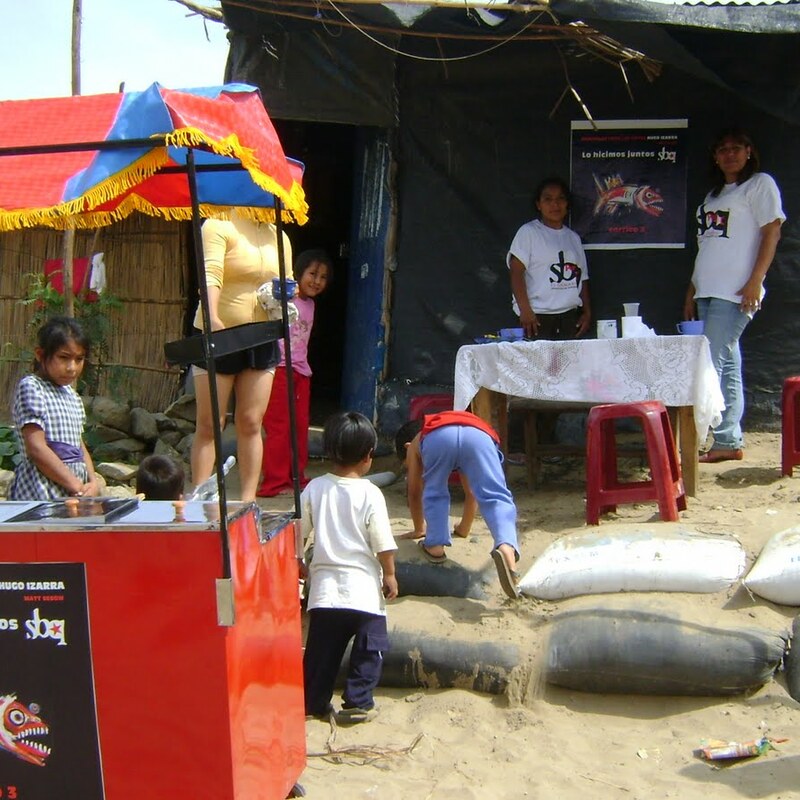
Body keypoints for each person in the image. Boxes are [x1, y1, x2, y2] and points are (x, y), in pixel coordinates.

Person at [683, 127, 785, 463]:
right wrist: (692, 291)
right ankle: (729, 438)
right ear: (715, 156)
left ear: (749, 151)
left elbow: (772, 231)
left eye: (736, 148)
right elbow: (706, 249)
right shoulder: (712, 197)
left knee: (711, 363)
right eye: (723, 149)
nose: (730, 154)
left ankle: (713, 437)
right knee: (727, 365)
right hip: (707, 291)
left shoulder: (759, 184)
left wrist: (756, 280)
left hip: (736, 291)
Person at [301, 411, 398, 724]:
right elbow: (382, 541)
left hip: (326, 592)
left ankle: (314, 701)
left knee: (320, 654)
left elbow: (296, 533)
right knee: (371, 648)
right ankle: (358, 700)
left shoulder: (314, 489)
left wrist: (299, 564)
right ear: (368, 457)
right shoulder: (371, 493)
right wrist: (391, 574)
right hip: (365, 594)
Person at [190, 210, 292, 502]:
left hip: (262, 337)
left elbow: (284, 282)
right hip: (219, 334)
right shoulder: (218, 222)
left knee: (250, 421)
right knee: (211, 423)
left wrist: (287, 297)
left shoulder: (279, 235)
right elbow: (210, 273)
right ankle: (200, 501)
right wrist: (211, 316)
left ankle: (248, 503)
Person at [394, 410, 521, 600]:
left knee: (435, 490)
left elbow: (414, 492)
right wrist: (463, 528)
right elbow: (471, 493)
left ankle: (435, 545)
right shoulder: (457, 423)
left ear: (406, 447)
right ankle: (506, 548)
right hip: (479, 434)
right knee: (495, 496)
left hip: (439, 436)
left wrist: (419, 529)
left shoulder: (416, 443)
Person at [258, 249, 333, 497]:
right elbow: (263, 297)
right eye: (312, 274)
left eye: (323, 277)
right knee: (279, 426)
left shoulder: (311, 304)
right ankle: (274, 482)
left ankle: (296, 476)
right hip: (279, 368)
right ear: (298, 274)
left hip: (301, 371)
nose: (317, 281)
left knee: (299, 426)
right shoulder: (284, 299)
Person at [9, 316, 98, 501]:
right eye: (64, 358)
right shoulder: (32, 387)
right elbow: (37, 448)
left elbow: (78, 444)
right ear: (41, 355)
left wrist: (92, 481)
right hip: (41, 488)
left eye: (79, 359)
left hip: (74, 490)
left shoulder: (72, 395)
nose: (72, 368)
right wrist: (75, 484)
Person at [507, 176, 591, 340]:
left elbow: (583, 278)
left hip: (569, 317)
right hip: (536, 318)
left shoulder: (573, 238)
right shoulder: (529, 232)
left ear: (567, 204)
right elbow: (516, 272)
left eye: (560, 199)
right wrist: (525, 311)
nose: (555, 204)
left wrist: (587, 312)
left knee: (568, 365)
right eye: (548, 199)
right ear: (538, 204)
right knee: (537, 366)